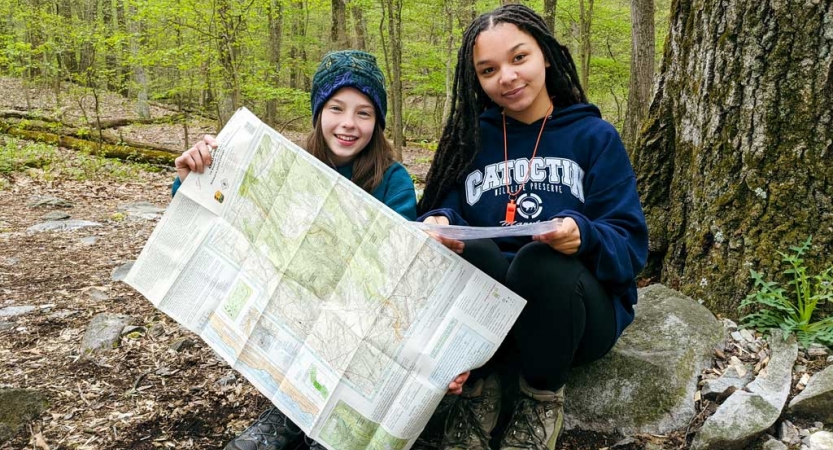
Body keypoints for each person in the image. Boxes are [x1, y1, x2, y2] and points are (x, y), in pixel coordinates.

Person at [172, 50, 436, 450]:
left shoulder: (393, 179)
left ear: (377, 122)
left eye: (364, 113)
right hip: (293, 312)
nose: (349, 123)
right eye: (336, 108)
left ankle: (327, 422)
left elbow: (394, 262)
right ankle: (287, 411)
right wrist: (191, 176)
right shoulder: (288, 162)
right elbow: (223, 215)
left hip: (361, 315)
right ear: (318, 112)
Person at [417, 5, 649, 450]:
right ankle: (479, 393)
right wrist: (440, 221)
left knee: (540, 260)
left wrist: (585, 235)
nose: (506, 76)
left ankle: (540, 400)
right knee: (476, 251)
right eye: (489, 69)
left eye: (518, 57)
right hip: (489, 328)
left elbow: (629, 244)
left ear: (545, 54)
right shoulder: (471, 141)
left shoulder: (594, 137)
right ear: (476, 81)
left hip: (571, 317)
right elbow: (442, 210)